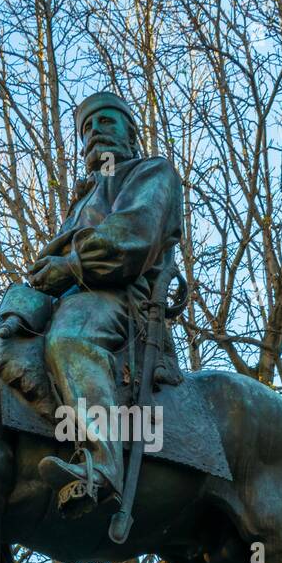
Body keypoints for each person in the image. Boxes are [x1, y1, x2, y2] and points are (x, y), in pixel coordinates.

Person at [27, 90, 183, 514]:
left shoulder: (151, 172)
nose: (94, 134)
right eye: (87, 129)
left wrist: (72, 266)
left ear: (130, 131)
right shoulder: (81, 202)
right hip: (69, 295)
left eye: (105, 123)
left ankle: (102, 464)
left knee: (71, 340)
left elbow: (134, 235)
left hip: (121, 300)